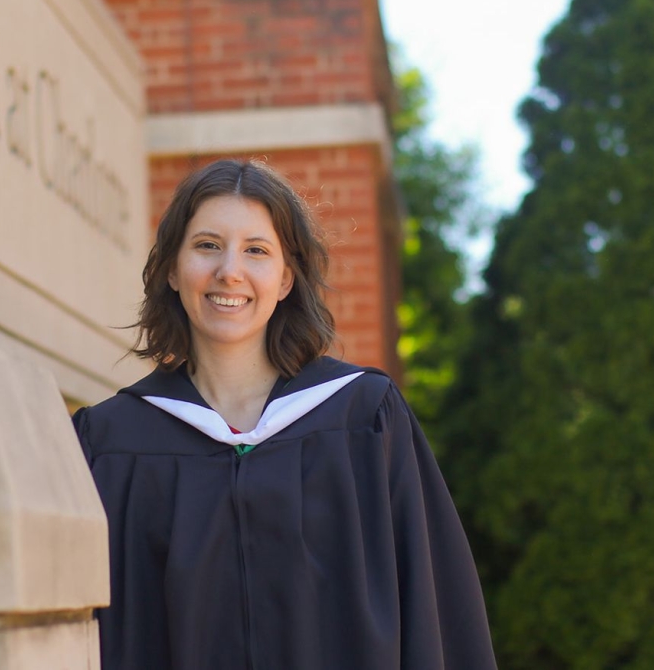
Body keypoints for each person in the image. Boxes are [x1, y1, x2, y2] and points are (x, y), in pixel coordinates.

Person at [72, 159, 497, 669]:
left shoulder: (363, 419)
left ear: (286, 279)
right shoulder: (113, 442)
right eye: (207, 245)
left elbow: (435, 612)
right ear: (171, 269)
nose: (230, 270)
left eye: (257, 250)